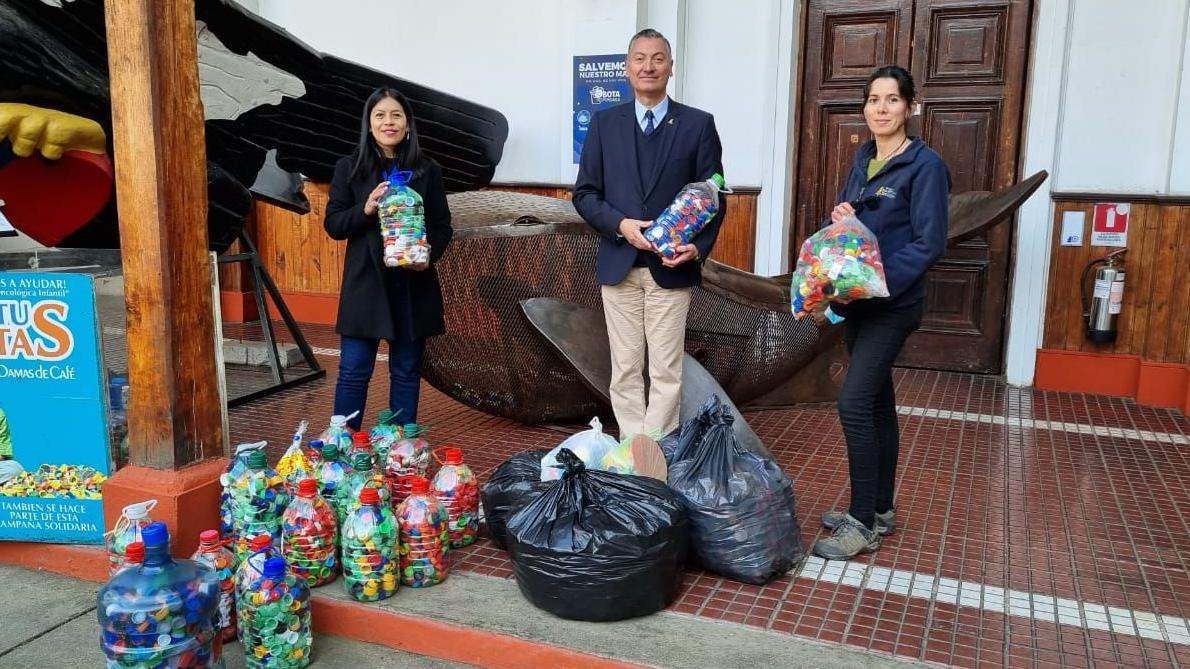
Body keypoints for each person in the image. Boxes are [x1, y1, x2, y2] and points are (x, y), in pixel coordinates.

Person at [813, 65, 950, 561]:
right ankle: (882, 508)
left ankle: (862, 522)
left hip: (893, 304)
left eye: (892, 100)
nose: (881, 109)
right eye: (874, 100)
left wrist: (880, 281)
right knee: (875, 405)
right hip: (856, 301)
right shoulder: (864, 156)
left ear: (910, 107)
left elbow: (929, 242)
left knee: (852, 403)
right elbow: (856, 216)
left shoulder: (926, 166)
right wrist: (842, 217)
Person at [573, 28, 726, 440]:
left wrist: (696, 248)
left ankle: (654, 455)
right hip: (619, 265)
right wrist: (620, 225)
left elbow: (714, 195)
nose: (648, 66)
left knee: (665, 369)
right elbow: (585, 194)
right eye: (639, 58)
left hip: (670, 268)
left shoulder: (698, 125)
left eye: (658, 58)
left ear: (671, 67)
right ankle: (631, 448)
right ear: (627, 68)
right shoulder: (605, 124)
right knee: (624, 368)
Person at [324, 87, 453, 431]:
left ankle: (399, 450)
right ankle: (344, 445)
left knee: (406, 373)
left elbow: (442, 227)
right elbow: (334, 224)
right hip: (365, 287)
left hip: (413, 286)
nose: (388, 122)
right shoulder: (349, 168)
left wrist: (428, 255)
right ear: (368, 125)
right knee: (353, 371)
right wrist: (365, 209)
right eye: (380, 115)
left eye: (396, 115)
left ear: (408, 124)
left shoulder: (427, 170)